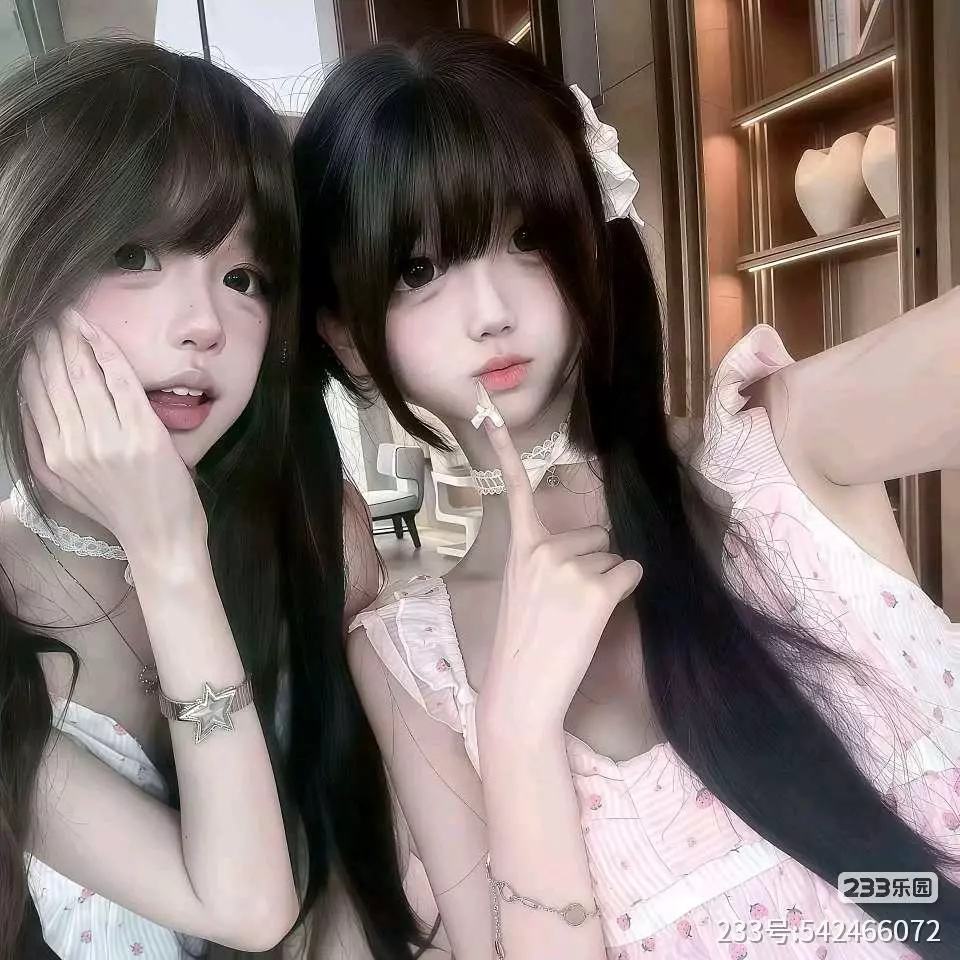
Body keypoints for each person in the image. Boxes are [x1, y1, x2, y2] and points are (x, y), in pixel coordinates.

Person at [293, 29, 960, 959]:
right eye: (420, 270)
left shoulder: (767, 459)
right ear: (345, 335)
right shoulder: (411, 661)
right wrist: (516, 732)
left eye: (527, 238)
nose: (491, 310)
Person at [0, 39, 400, 960]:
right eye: (134, 253)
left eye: (245, 278)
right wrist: (167, 552)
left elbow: (355, 846)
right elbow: (244, 904)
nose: (204, 325)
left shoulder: (312, 530)